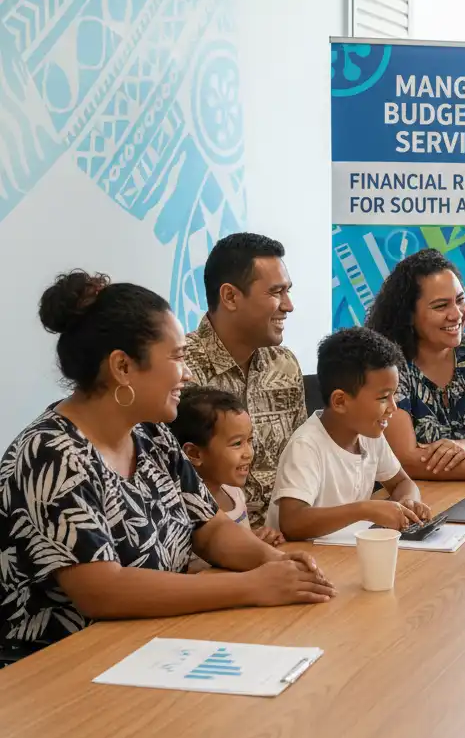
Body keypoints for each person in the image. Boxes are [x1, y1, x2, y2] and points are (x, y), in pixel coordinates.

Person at [0, 272, 334, 666]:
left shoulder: (152, 434)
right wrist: (250, 586)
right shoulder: (49, 454)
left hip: (153, 651)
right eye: (176, 357)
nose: (187, 372)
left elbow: (210, 528)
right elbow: (104, 591)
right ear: (122, 367)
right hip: (61, 673)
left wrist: (273, 563)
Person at [365, 249, 465, 481]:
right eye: (441, 306)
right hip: (410, 500)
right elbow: (405, 461)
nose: (456, 314)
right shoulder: (388, 364)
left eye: (460, 300)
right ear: (409, 315)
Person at [185, 232, 306, 527]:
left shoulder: (285, 364)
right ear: (230, 296)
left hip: (292, 534)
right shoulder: (180, 370)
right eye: (276, 292)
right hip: (212, 551)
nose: (288, 305)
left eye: (287, 291)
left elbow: (302, 465)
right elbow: (174, 488)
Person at [269, 328, 432, 541]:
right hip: (304, 557)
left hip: (346, 553)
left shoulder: (369, 435)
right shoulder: (306, 446)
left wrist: (408, 501)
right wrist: (365, 509)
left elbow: (403, 483)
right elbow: (292, 523)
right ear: (340, 402)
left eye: (395, 395)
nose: (393, 407)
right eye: (383, 397)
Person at [169, 386, 284, 547]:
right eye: (237, 443)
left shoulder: (234, 493)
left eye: (249, 440)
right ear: (194, 453)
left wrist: (256, 539)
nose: (248, 453)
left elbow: (236, 545)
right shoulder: (187, 509)